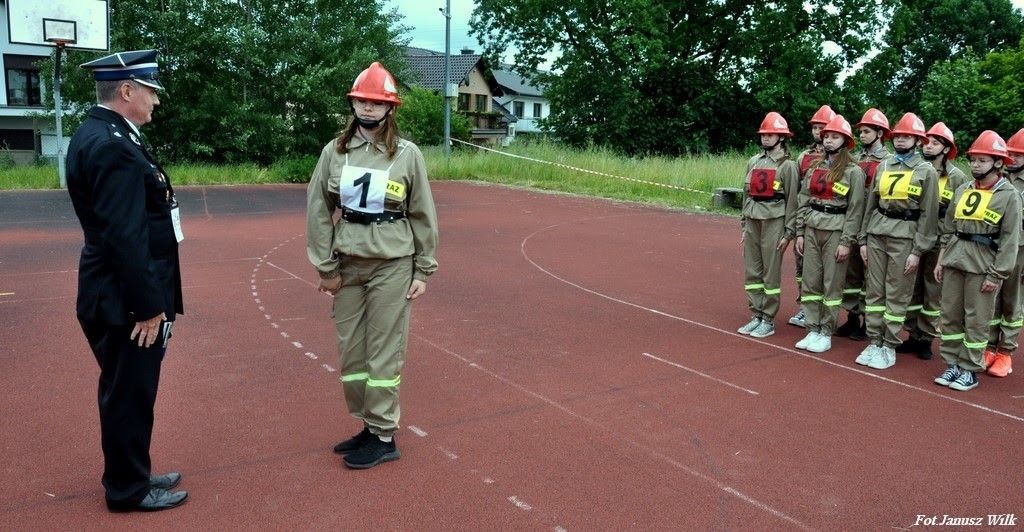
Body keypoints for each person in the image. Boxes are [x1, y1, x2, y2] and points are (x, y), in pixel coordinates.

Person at [66, 50, 187, 512]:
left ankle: (132, 472)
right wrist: (148, 306)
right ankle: (128, 490)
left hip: (117, 292)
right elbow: (124, 237)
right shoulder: (113, 145)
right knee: (128, 394)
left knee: (129, 391)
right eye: (151, 91)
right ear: (127, 90)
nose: (156, 101)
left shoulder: (106, 134)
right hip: (123, 299)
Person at [306, 62, 438, 469]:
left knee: (382, 352)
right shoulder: (335, 151)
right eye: (362, 100)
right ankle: (366, 424)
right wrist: (325, 269)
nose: (367, 108)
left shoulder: (407, 155)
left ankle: (384, 435)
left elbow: (422, 213)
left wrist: (423, 269)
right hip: (347, 266)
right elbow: (317, 210)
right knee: (351, 352)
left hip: (391, 266)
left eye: (376, 102)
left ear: (390, 109)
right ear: (353, 103)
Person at [934, 130, 1021, 391]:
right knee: (950, 315)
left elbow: (1010, 240)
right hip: (955, 258)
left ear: (997, 163)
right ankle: (952, 363)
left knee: (977, 318)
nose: (975, 165)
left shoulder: (1008, 195)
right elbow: (949, 229)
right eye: (973, 160)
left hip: (983, 264)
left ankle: (970, 368)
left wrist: (997, 274)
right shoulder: (963, 189)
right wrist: (941, 260)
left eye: (982, 160)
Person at [856, 112, 939, 370]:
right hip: (878, 231)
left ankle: (890, 344)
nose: (901, 140)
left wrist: (918, 250)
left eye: (907, 137)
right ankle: (874, 339)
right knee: (874, 289)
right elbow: (871, 203)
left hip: (905, 235)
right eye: (899, 136)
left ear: (917, 140)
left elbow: (929, 215)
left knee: (897, 291)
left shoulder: (926, 171)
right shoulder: (885, 165)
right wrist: (863, 239)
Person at [793, 115, 866, 353]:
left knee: (832, 284)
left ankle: (826, 331)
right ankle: (812, 328)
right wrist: (800, 231)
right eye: (826, 136)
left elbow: (855, 210)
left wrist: (847, 241)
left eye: (835, 137)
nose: (829, 141)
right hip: (813, 226)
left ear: (845, 141)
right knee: (811, 281)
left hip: (836, 229)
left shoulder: (853, 171)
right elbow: (803, 200)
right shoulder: (815, 167)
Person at [899, 123, 969, 360]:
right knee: (911, 287)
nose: (929, 146)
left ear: (946, 148)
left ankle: (926, 337)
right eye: (927, 141)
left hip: (940, 239)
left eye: (935, 143)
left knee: (933, 289)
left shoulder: (957, 178)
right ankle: (911, 334)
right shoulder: (914, 170)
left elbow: (958, 214)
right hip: (915, 233)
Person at [737, 112, 799, 338]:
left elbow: (793, 200)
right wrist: (743, 225)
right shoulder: (753, 161)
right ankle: (756, 314)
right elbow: (747, 195)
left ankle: (768, 319)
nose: (765, 138)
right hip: (753, 220)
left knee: (770, 272)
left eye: (771, 134)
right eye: (763, 134)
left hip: (774, 222)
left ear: (781, 138)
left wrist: (789, 232)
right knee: (752, 269)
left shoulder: (788, 166)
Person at [838, 108, 891, 341]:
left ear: (880, 133)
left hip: (872, 221)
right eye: (860, 131)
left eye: (867, 131)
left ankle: (869, 322)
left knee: (871, 275)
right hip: (851, 218)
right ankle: (852, 317)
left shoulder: (888, 162)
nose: (862, 135)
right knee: (851, 273)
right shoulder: (855, 159)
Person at [789, 105, 837, 328]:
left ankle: (828, 316)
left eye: (823, 128)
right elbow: (799, 190)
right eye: (815, 128)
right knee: (803, 265)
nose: (818, 132)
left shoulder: (841, 160)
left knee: (829, 271)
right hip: (807, 217)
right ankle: (804, 306)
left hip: (830, 221)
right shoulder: (804, 157)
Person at [984, 127, 1024, 377]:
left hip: (1019, 250)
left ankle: (1005, 352)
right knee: (991, 298)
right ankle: (988, 346)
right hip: (992, 247)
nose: (1014, 159)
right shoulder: (997, 180)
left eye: (1019, 155)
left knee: (1012, 300)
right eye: (1011, 154)